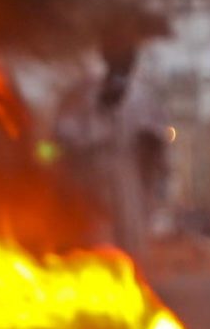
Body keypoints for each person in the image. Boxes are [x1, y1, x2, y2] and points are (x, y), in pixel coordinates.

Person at [52, 38, 166, 259]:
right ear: (105, 56)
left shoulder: (143, 96)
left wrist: (152, 145)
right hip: (92, 175)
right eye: (117, 53)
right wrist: (101, 112)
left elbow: (158, 141)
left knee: (131, 238)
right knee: (97, 237)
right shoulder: (83, 92)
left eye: (128, 56)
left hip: (128, 176)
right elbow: (62, 135)